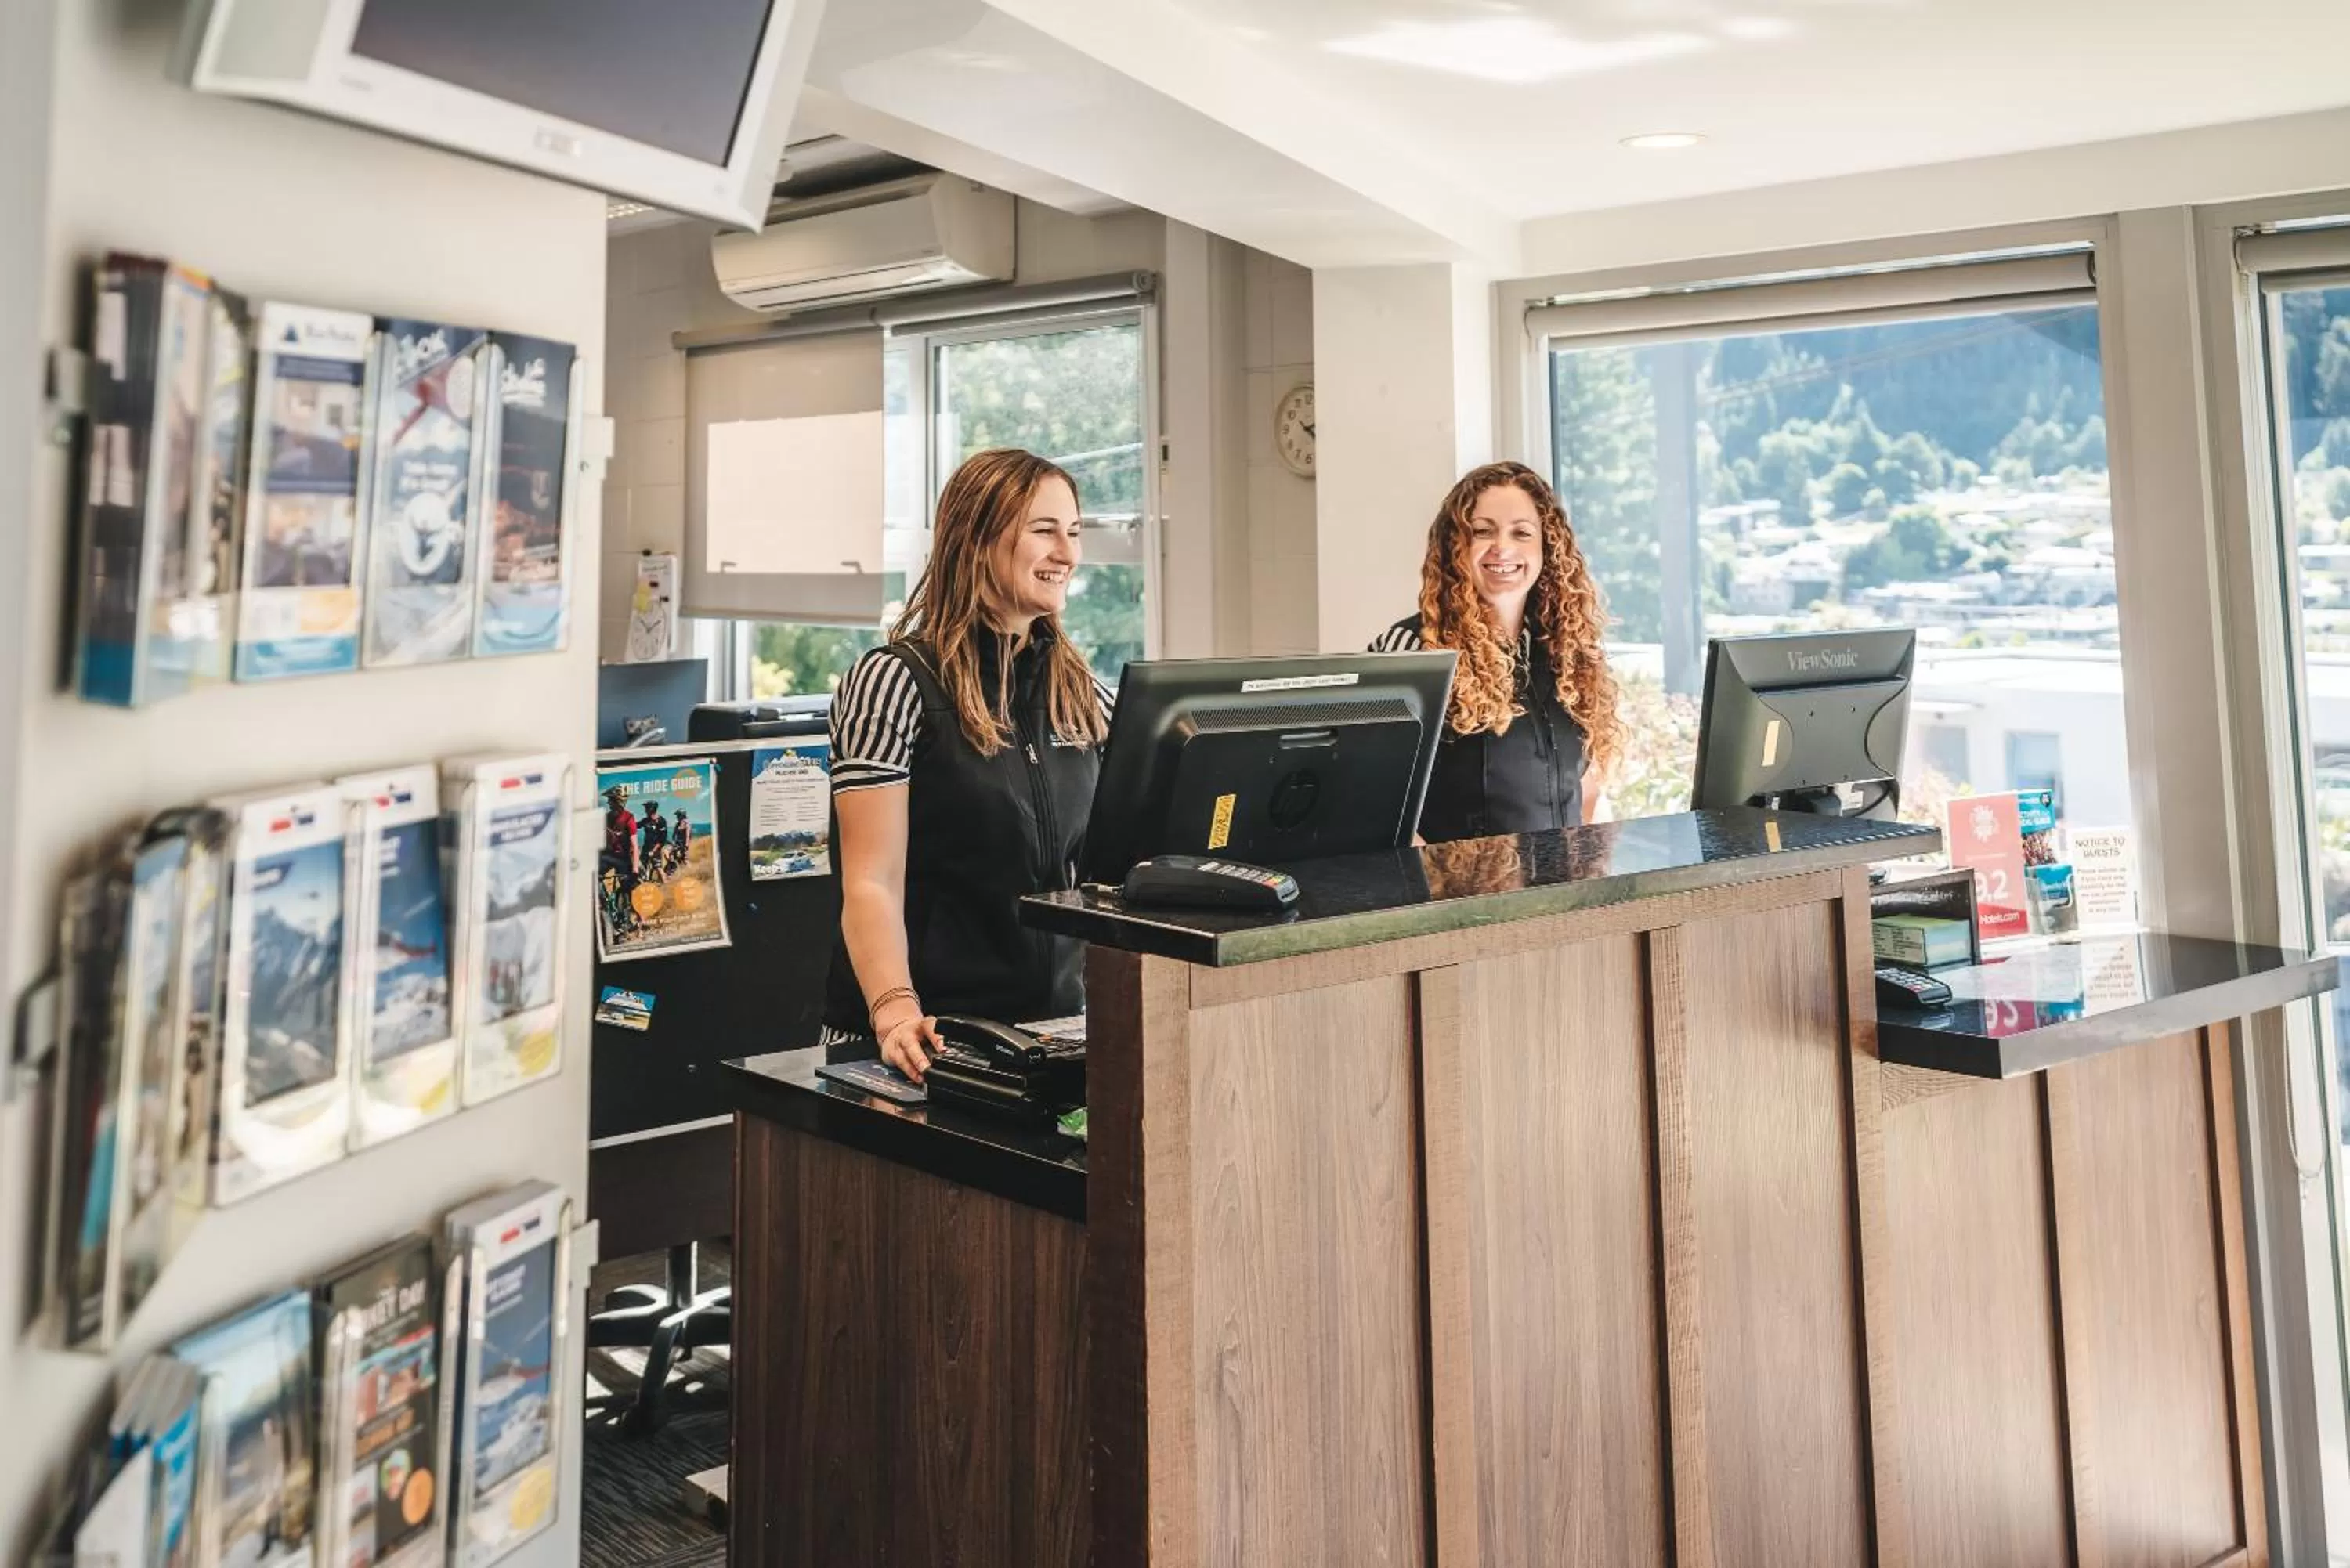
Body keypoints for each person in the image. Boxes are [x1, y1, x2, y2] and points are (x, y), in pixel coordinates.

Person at [824, 447, 1112, 1081]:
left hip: (1045, 1031)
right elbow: (870, 880)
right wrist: (895, 1011)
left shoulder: (1082, 695)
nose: (1068, 553)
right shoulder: (894, 680)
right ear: (977, 538)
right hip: (920, 1035)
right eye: (1045, 531)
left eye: (1074, 532)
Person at [1370, 460, 1625, 842]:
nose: (1502, 548)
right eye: (1482, 531)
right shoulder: (1414, 651)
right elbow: (1376, 801)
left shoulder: (1568, 651)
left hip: (1557, 896)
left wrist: (1594, 881)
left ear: (1547, 549)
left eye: (1521, 533)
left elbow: (1587, 792)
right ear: (1456, 545)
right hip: (1456, 897)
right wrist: (1439, 893)